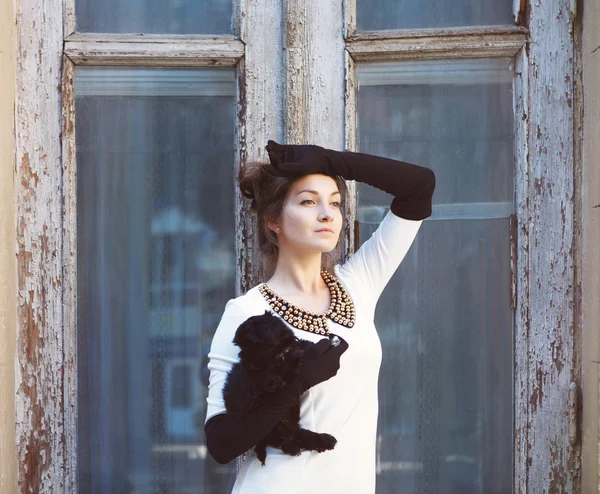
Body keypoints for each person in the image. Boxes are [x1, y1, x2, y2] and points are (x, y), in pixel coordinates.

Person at [204, 140, 436, 494]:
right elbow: (221, 444)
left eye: (335, 202)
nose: (327, 213)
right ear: (273, 221)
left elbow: (419, 186)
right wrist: (297, 382)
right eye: (309, 201)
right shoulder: (247, 313)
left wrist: (334, 161)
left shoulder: (359, 283)